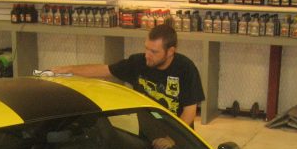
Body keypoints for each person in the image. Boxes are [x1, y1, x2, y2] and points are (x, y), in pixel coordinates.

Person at [51, 24, 205, 128]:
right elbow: (104, 70)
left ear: (170, 51)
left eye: (154, 52)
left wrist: (172, 138)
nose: (147, 55)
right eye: (147, 49)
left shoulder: (186, 68)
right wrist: (69, 69)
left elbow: (189, 113)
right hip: (146, 130)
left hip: (176, 132)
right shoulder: (138, 62)